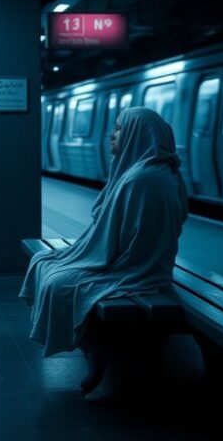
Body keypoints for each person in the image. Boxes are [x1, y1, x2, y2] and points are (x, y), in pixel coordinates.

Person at [19, 106, 188, 398]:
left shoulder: (143, 180)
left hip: (137, 268)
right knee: (44, 261)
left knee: (60, 282)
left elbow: (127, 245)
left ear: (138, 134)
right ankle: (97, 349)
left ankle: (102, 349)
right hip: (135, 260)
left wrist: (92, 256)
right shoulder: (145, 171)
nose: (113, 134)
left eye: (120, 128)